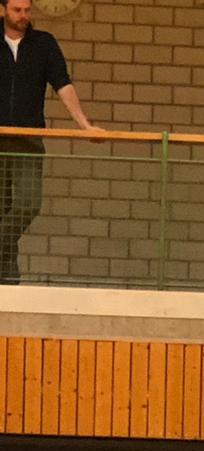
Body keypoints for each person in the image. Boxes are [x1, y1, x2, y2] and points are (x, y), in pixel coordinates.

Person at [0, 0, 101, 284]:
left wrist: (84, 125)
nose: (23, 15)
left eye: (27, 10)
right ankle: (8, 282)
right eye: (17, 10)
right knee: (2, 212)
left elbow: (62, 84)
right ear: (4, 9)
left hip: (28, 139)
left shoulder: (43, 43)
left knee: (28, 203)